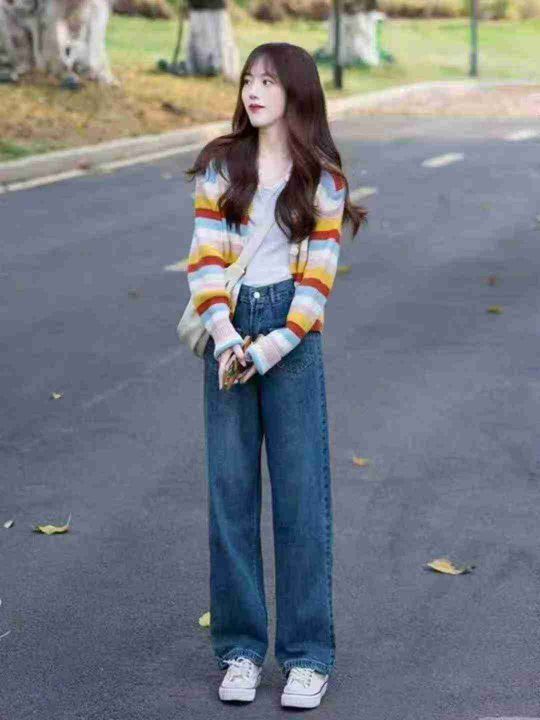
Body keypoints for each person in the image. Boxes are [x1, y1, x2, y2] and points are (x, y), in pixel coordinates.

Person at [184, 42, 367, 709]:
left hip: (292, 336)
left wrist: (267, 349)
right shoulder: (220, 166)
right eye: (248, 80)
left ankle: (307, 657)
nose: (254, 91)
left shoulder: (323, 181)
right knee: (230, 497)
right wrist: (227, 338)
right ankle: (239, 651)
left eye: (268, 81)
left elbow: (317, 284)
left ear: (297, 92)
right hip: (229, 331)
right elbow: (204, 260)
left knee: (301, 500)